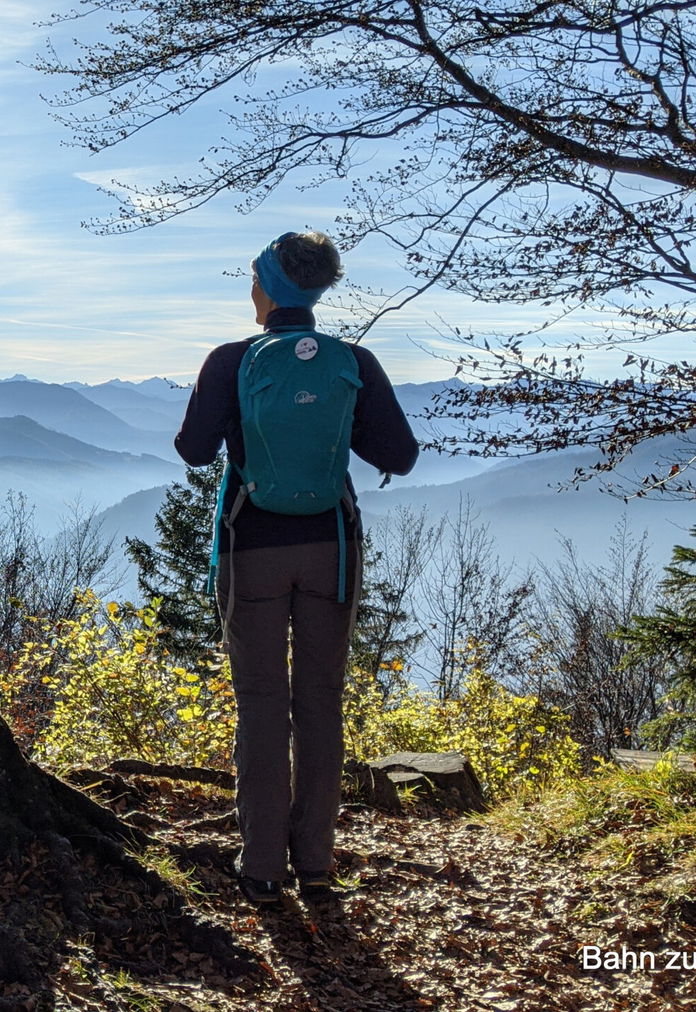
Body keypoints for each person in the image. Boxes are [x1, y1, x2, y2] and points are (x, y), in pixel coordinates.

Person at [175, 231, 418, 905]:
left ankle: (260, 868)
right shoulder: (355, 363)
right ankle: (315, 860)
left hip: (249, 547)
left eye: (254, 280)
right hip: (330, 551)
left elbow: (194, 451)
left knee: (260, 705)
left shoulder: (231, 360)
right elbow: (399, 456)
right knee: (319, 703)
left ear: (268, 287)